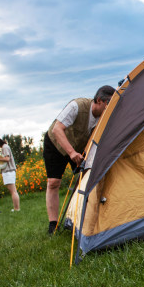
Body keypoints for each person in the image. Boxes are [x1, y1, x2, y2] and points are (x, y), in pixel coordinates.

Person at [44, 85, 114, 234]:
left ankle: (80, 216)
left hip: (79, 147)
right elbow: (57, 129)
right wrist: (71, 153)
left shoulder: (103, 117)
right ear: (99, 100)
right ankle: (53, 225)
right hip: (56, 143)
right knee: (54, 182)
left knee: (87, 177)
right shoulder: (77, 106)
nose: (110, 108)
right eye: (109, 104)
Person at [0, 136, 20, 212]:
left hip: (8, 171)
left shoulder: (5, 147)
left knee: (13, 191)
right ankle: (16, 208)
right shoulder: (4, 147)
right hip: (8, 171)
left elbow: (7, 159)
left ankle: (16, 208)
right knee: (13, 190)